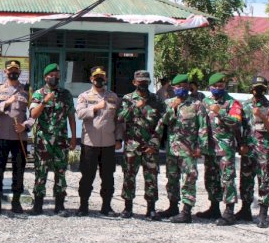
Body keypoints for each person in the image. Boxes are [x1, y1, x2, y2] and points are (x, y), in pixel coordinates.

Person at [155, 74, 208, 224]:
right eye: (178, 87)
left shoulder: (197, 104)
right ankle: (172, 207)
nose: (182, 89)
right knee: (172, 179)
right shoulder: (168, 103)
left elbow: (203, 127)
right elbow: (162, 123)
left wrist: (200, 147)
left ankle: (186, 212)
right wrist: (173, 108)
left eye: (184, 86)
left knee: (189, 179)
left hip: (189, 150)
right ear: (173, 87)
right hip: (172, 149)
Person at [28, 63, 77, 216]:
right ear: (45, 77)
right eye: (51, 75)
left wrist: (74, 137)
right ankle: (38, 205)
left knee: (60, 172)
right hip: (43, 142)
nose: (54, 77)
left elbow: (71, 117)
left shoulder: (66, 94)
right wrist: (44, 101)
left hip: (61, 141)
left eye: (56, 74)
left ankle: (60, 205)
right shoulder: (38, 93)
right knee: (40, 172)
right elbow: (33, 115)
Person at [75, 66, 124, 217]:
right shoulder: (84, 96)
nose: (99, 79)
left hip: (108, 143)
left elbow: (119, 120)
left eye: (102, 77)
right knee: (87, 176)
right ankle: (83, 206)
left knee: (108, 177)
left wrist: (119, 138)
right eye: (96, 77)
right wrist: (95, 107)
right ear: (91, 79)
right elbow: (80, 114)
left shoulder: (113, 97)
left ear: (106, 79)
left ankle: (107, 206)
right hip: (90, 143)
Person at [118, 70, 165, 220]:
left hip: (151, 146)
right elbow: (120, 117)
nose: (143, 84)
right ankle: (127, 208)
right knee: (129, 176)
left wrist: (155, 142)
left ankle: (151, 209)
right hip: (132, 145)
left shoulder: (156, 99)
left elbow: (162, 123)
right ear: (134, 82)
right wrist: (135, 107)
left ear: (149, 82)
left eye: (145, 81)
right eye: (140, 81)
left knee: (151, 177)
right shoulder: (128, 99)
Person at [0, 60, 31, 214]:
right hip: (1, 135)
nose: (13, 72)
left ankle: (16, 201)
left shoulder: (27, 90)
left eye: (16, 70)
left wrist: (25, 125)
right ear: (5, 71)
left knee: (18, 169)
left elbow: (33, 115)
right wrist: (7, 102)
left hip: (19, 136)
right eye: (10, 70)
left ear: (19, 72)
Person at [203, 73, 243, 226]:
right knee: (211, 178)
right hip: (210, 148)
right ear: (210, 87)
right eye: (215, 86)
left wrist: (220, 113)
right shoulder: (205, 102)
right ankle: (214, 207)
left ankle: (229, 212)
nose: (218, 89)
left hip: (225, 148)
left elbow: (236, 122)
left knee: (227, 179)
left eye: (221, 86)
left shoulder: (232, 103)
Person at [239, 76, 269, 228]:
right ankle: (245, 210)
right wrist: (241, 145)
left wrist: (262, 115)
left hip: (263, 150)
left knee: (264, 181)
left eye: (262, 88)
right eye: (256, 88)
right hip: (248, 149)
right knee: (246, 180)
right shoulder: (245, 106)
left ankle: (263, 214)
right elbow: (241, 128)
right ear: (252, 89)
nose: (259, 91)